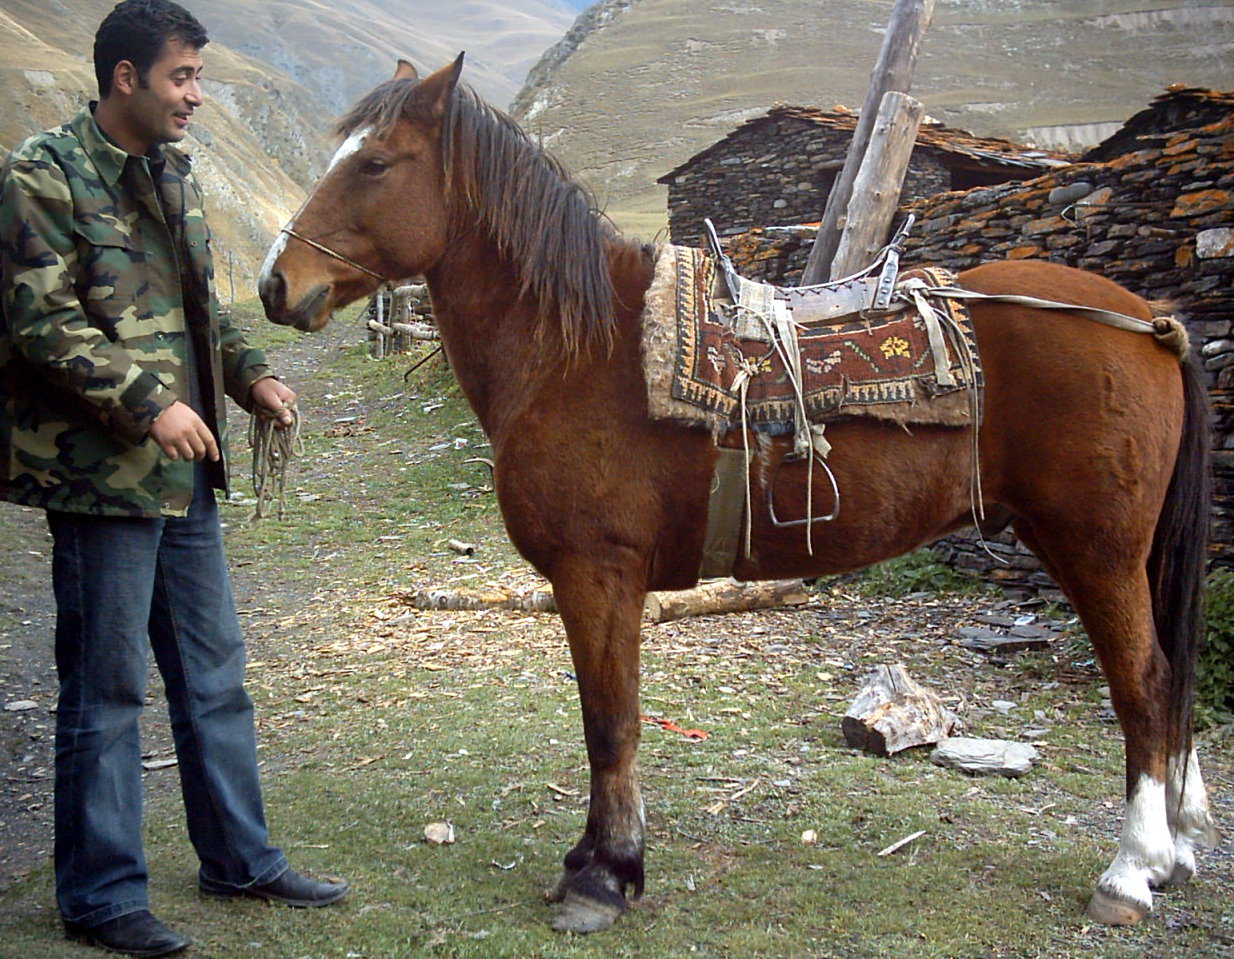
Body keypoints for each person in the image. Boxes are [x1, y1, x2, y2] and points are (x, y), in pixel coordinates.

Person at [0, 2, 347, 955]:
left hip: (187, 476)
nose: (196, 94)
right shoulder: (42, 174)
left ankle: (240, 857)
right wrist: (148, 402)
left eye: (198, 77)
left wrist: (252, 376)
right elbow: (42, 324)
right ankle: (102, 897)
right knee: (107, 688)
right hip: (101, 477)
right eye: (181, 77)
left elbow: (206, 309)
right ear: (125, 78)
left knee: (214, 673)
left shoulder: (173, 173)